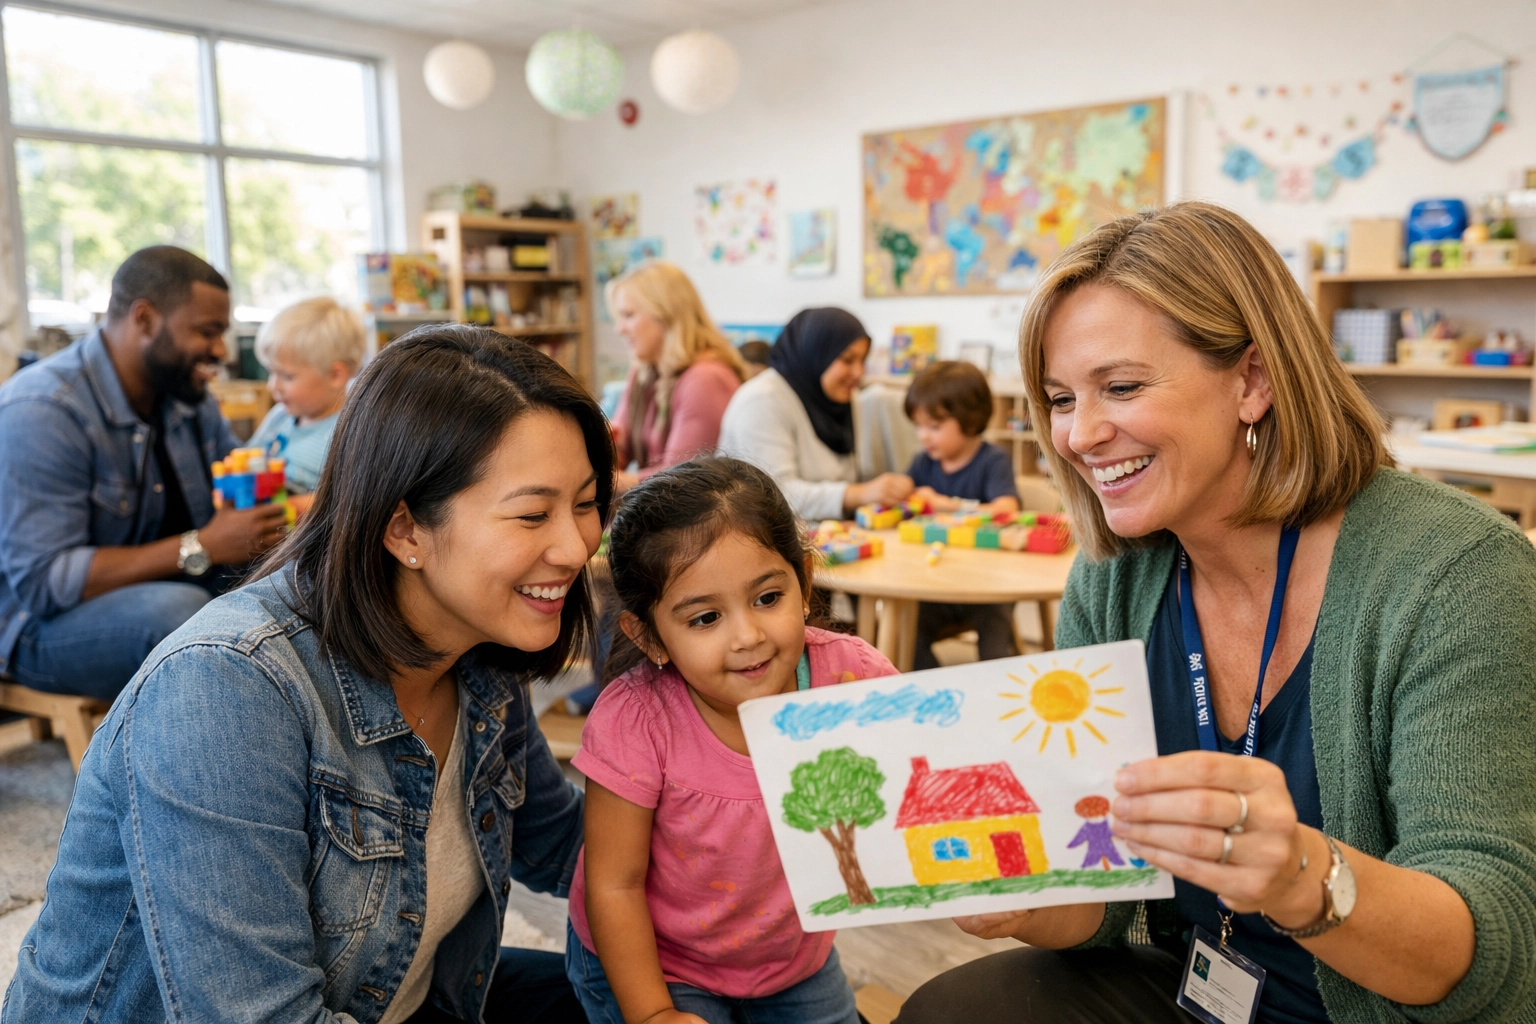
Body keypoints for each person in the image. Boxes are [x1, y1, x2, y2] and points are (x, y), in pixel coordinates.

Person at [896, 202, 1536, 1023]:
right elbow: (1115, 901)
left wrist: (1303, 876)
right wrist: (1032, 902)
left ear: (1253, 381)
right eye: (1059, 398)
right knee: (953, 1009)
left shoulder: (1455, 575)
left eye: (1120, 387)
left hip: (1371, 1010)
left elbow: (1502, 956)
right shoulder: (1115, 581)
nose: (1079, 434)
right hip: (1192, 984)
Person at [4, 327, 613, 1024]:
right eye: (533, 514)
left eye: (587, 502)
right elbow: (257, 1014)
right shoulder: (225, 687)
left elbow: (569, 850)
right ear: (405, 530)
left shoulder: (475, 651)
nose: (575, 545)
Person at [566, 457, 896, 1024]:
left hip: (792, 960)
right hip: (655, 963)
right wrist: (652, 1014)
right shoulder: (636, 720)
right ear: (650, 638)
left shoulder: (853, 677)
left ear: (804, 582)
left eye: (768, 598)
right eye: (705, 619)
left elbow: (916, 792)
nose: (748, 637)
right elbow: (614, 886)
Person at [0, 246, 286, 700]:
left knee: (303, 578)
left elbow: (237, 491)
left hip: (177, 584)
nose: (220, 350)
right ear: (146, 318)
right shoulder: (43, 410)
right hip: (44, 629)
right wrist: (204, 545)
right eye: (208, 332)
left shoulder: (187, 397)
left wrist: (274, 518)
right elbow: (46, 581)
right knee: (183, 614)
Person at [718, 307, 913, 520]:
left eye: (862, 361)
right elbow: (774, 496)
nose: (859, 373)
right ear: (815, 353)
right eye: (847, 360)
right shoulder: (762, 401)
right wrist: (859, 494)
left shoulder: (840, 398)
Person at [903, 361, 1021, 669]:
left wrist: (946, 505)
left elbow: (1007, 510)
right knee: (906, 632)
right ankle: (936, 689)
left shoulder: (993, 460)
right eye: (918, 426)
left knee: (995, 642)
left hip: (987, 587)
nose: (923, 436)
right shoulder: (923, 463)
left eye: (934, 426)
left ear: (969, 420)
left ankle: (996, 695)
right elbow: (907, 506)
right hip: (934, 584)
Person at [609, 262, 745, 492]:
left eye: (628, 315)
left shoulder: (705, 379)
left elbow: (681, 480)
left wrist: (608, 483)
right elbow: (619, 445)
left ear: (666, 315)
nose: (619, 329)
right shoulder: (644, 371)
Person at [250, 295, 367, 495]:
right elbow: (246, 461)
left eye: (286, 376)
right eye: (271, 372)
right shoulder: (279, 416)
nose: (273, 386)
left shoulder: (351, 434)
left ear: (335, 375)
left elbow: (352, 501)